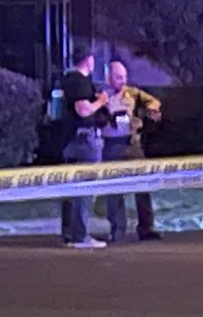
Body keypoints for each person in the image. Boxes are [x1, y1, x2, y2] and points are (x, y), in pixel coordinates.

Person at [99, 60, 164, 242]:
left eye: (124, 77)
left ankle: (146, 228)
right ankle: (117, 230)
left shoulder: (133, 93)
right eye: (118, 77)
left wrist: (151, 111)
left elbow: (153, 101)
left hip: (132, 145)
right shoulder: (101, 95)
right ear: (108, 77)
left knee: (143, 186)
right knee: (114, 190)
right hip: (111, 147)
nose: (122, 80)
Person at [60, 48, 108, 249]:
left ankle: (70, 234)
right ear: (88, 60)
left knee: (71, 189)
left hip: (70, 140)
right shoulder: (78, 81)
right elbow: (84, 109)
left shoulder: (69, 79)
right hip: (84, 141)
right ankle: (80, 236)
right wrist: (101, 101)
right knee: (85, 188)